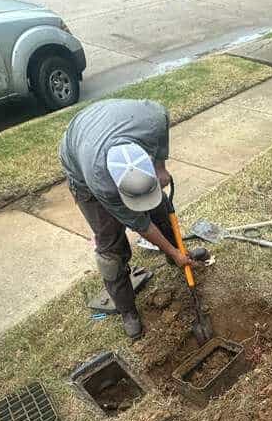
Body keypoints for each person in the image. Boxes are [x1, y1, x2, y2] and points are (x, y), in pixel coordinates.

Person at [59, 98, 197, 340]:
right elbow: (141, 224)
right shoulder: (101, 183)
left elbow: (162, 115)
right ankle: (127, 310)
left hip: (110, 123)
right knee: (110, 246)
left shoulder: (151, 120)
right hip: (80, 162)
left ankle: (177, 256)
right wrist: (174, 252)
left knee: (161, 210)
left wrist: (160, 165)